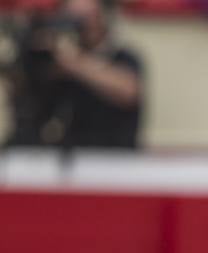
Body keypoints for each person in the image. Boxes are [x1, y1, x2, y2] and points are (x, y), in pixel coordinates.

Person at [4, 0, 143, 149]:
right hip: (66, 152)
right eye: (71, 16)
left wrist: (72, 62)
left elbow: (129, 91)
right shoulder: (53, 59)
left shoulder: (123, 57)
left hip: (115, 155)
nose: (79, 24)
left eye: (86, 17)